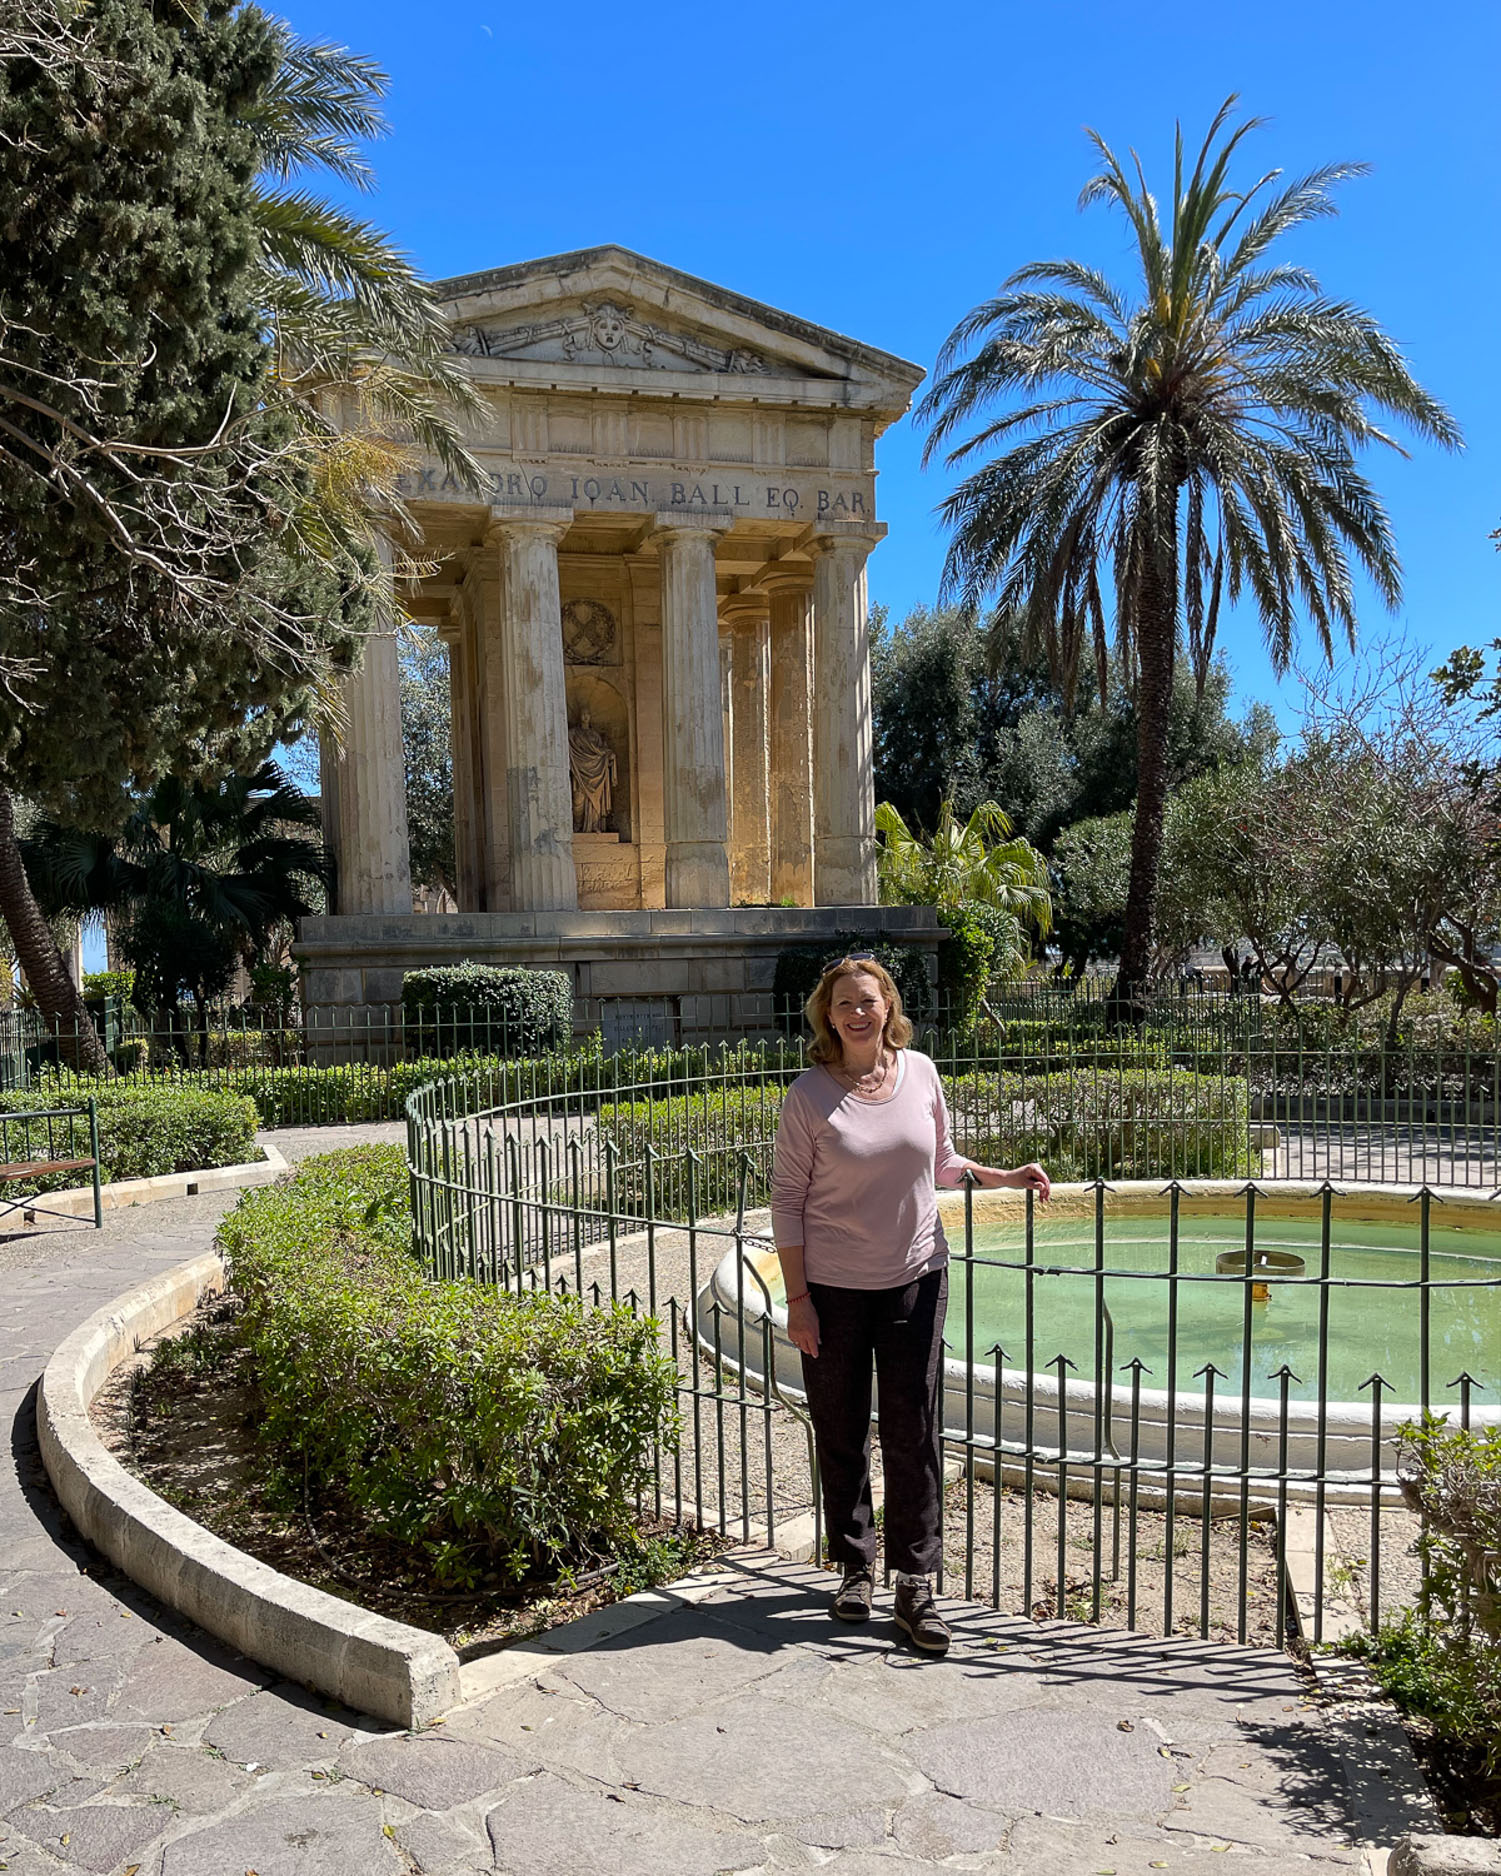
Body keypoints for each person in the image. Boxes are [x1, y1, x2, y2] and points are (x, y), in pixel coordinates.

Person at [769, 955, 1050, 1654]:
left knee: (912, 1430)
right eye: (843, 1005)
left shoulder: (919, 1071)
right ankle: (854, 1566)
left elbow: (940, 1161)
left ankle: (914, 1582)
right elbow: (788, 1204)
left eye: (868, 1000)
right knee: (839, 1428)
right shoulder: (807, 1095)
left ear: (888, 1006)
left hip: (915, 1278)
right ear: (827, 1016)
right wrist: (797, 1299)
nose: (857, 1013)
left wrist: (1001, 1174)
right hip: (831, 1291)